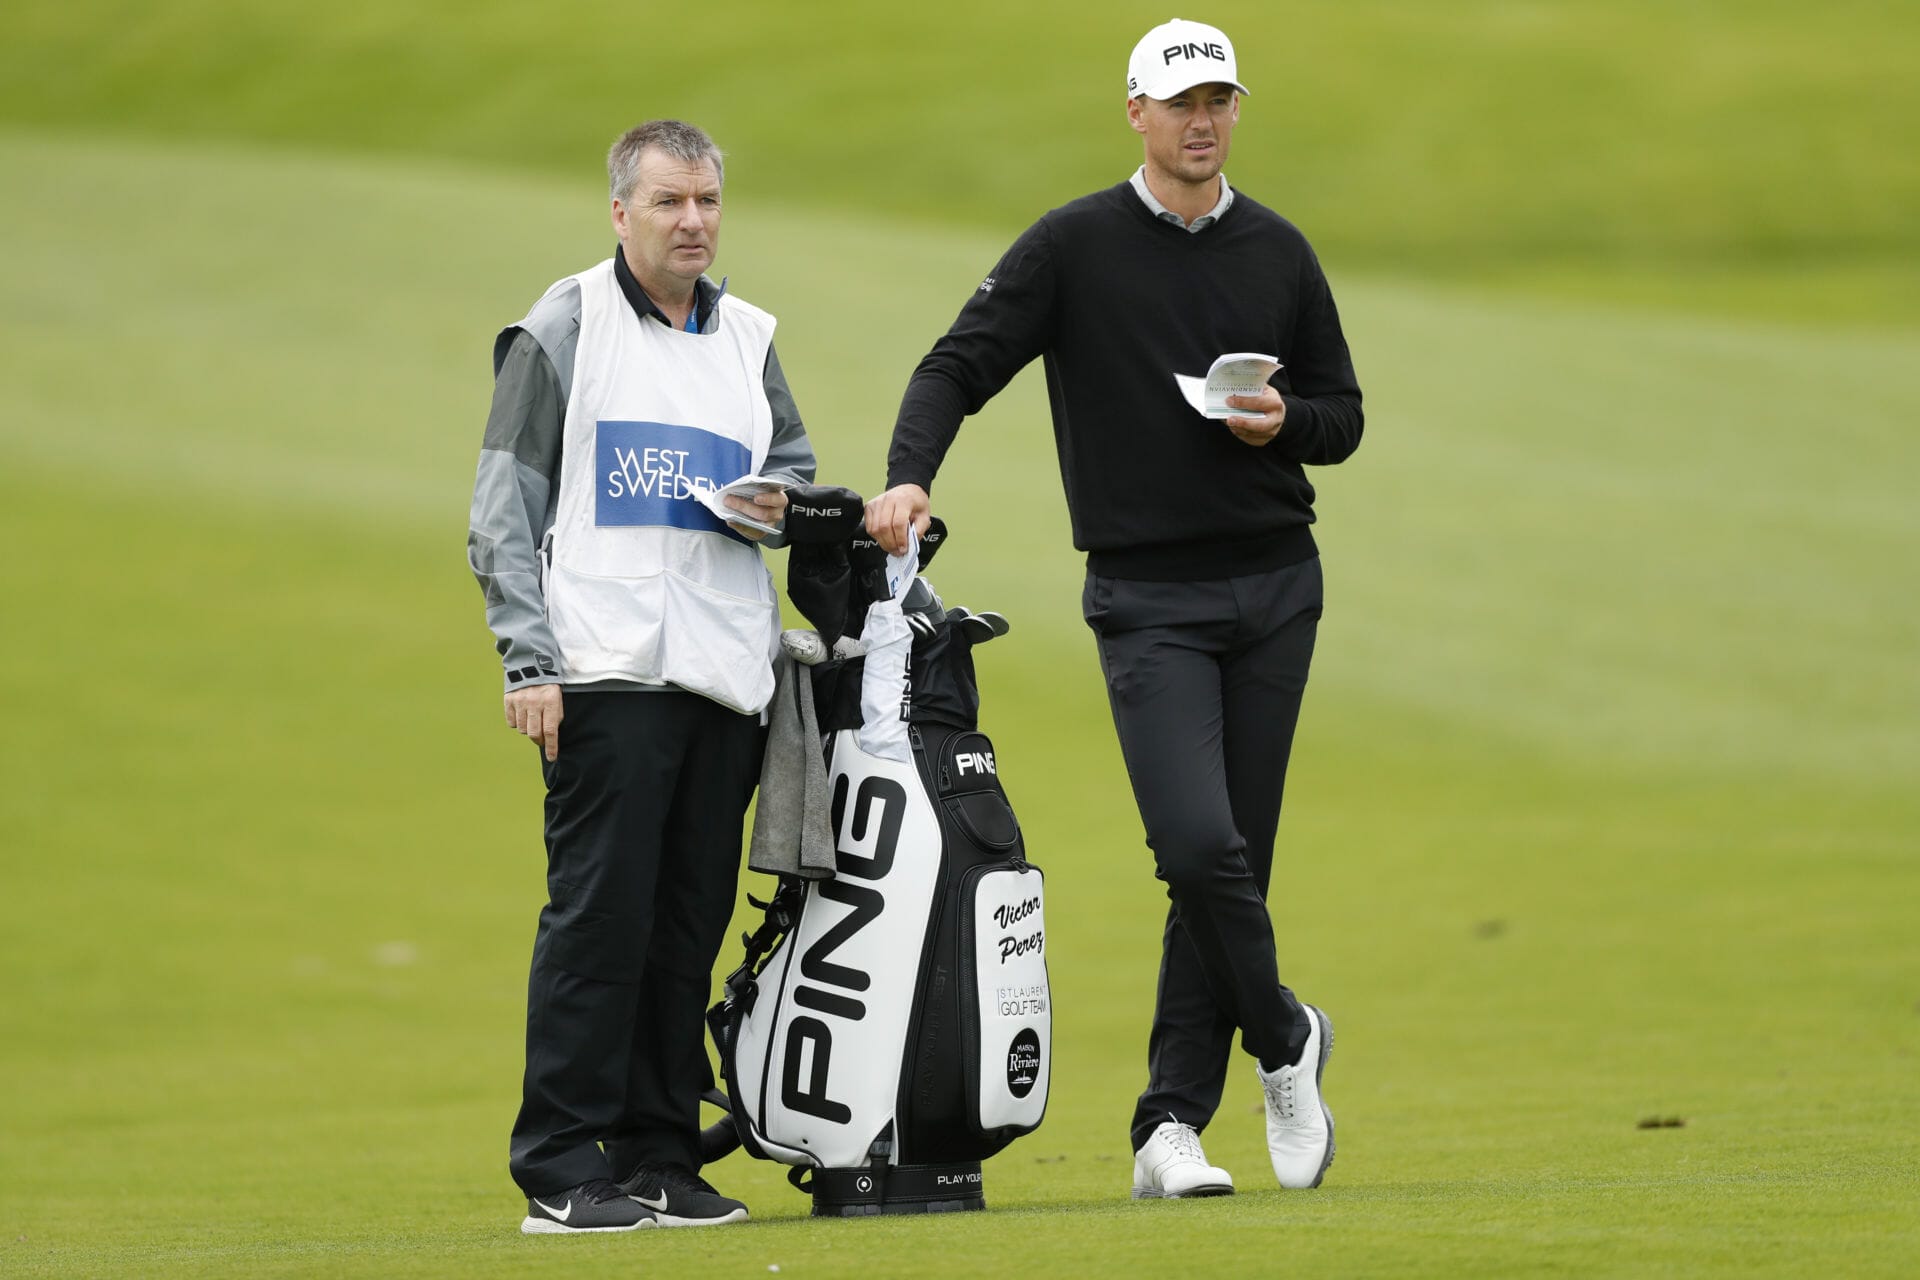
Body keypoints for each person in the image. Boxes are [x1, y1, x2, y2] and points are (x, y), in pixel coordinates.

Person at [864, 19, 1363, 1200]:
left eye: (1220, 100)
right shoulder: (1074, 246)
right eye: (1182, 102)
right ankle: (1285, 1038)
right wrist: (908, 474)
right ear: (1137, 111)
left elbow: (1342, 415)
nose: (1203, 120)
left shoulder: (1279, 251)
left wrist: (1283, 422)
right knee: (1195, 844)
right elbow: (955, 365)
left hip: (1276, 586)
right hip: (1148, 597)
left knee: (1230, 862)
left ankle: (1168, 1124)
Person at [467, 118, 817, 1233]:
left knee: (684, 931)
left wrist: (779, 506)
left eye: (707, 200)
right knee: (598, 926)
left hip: (723, 681)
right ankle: (559, 1165)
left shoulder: (749, 336)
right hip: (603, 672)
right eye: (669, 201)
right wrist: (528, 658)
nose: (693, 221)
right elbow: (501, 507)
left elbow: (795, 473)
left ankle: (660, 1154)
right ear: (622, 212)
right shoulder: (566, 323)